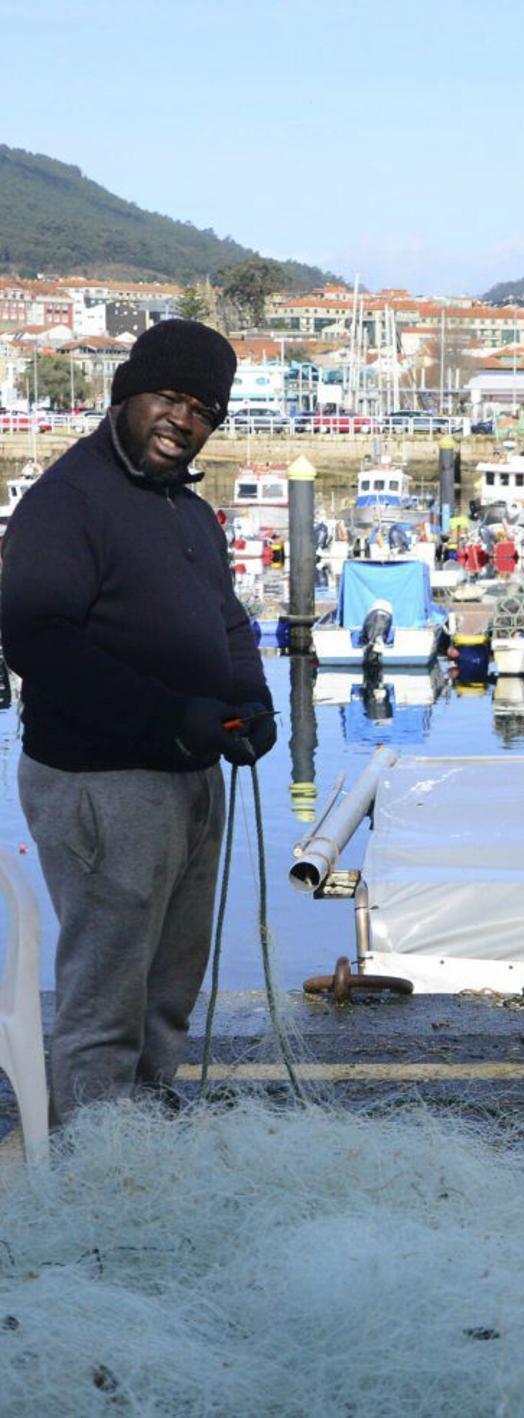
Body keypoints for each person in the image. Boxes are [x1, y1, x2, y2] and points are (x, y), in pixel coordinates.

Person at [1, 319, 277, 1125]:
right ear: (127, 394)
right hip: (102, 783)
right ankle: (95, 1169)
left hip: (190, 774)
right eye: (170, 397)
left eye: (204, 410)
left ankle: (148, 1145)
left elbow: (228, 621)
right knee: (107, 1001)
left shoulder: (187, 510)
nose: (183, 420)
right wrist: (175, 716)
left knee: (168, 994)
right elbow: (37, 641)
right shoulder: (68, 500)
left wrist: (251, 700)